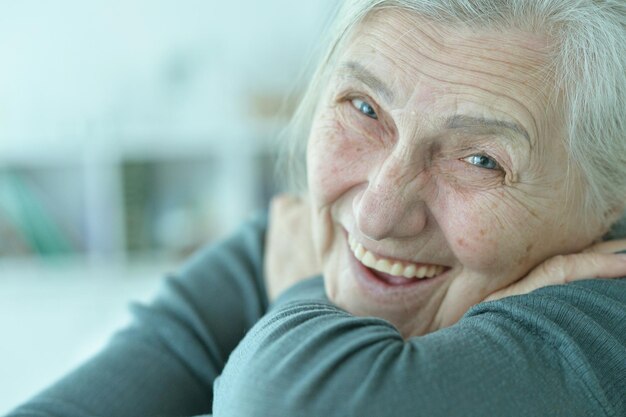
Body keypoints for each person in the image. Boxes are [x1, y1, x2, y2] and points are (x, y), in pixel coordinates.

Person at [6, 1, 626, 416]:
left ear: (611, 198)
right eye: (363, 109)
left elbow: (283, 402)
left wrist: (300, 294)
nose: (379, 213)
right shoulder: (316, 228)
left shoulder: (609, 304)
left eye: (481, 160)